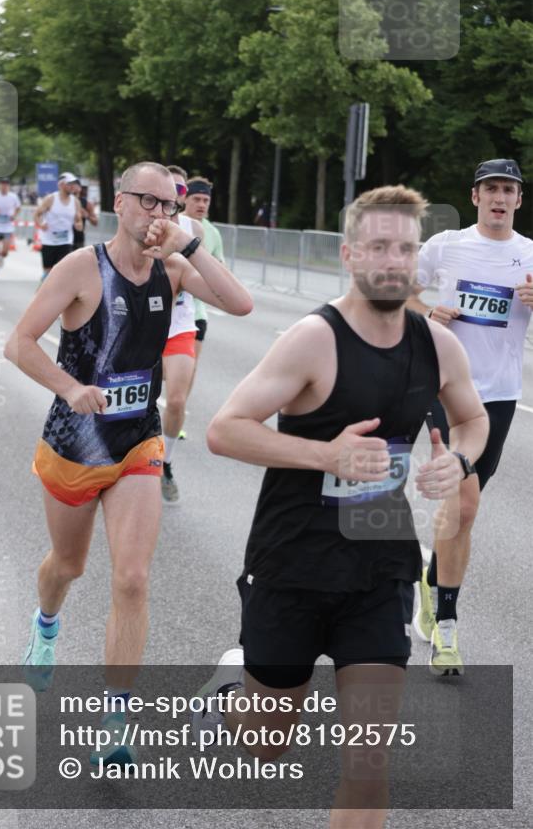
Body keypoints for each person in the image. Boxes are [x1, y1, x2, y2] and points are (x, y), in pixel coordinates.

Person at [195, 185, 488, 829]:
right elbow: (224, 429)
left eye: (405, 249)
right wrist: (326, 456)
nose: (393, 261)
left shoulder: (437, 346)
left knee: (367, 761)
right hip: (293, 559)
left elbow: (472, 420)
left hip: (380, 559)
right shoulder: (311, 339)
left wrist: (456, 461)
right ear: (350, 255)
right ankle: (233, 692)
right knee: (265, 744)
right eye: (379, 246)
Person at [4, 161, 252, 764]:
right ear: (121, 202)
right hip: (75, 442)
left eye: (171, 205)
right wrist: (68, 388)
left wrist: (188, 241)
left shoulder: (173, 267)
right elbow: (18, 344)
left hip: (138, 440)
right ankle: (44, 626)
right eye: (150, 202)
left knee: (133, 578)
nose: (160, 215)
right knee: (69, 565)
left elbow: (241, 304)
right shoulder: (81, 268)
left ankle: (114, 719)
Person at [408, 158, 533, 674]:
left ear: (519, 200)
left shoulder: (529, 255)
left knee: (466, 511)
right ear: (476, 196)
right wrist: (427, 311)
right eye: (491, 189)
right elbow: (394, 292)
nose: (500, 197)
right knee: (463, 496)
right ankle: (449, 628)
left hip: (500, 395)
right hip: (445, 385)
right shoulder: (446, 246)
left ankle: (430, 583)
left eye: (509, 189)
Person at [159, 166, 204, 503]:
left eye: (183, 190)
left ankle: (166, 462)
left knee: (176, 400)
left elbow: (211, 272)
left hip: (180, 325)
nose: (179, 194)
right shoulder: (149, 223)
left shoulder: (193, 228)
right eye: (173, 187)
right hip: (144, 325)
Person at [183, 176, 225, 363]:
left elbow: (219, 271)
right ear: (185, 199)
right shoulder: (174, 223)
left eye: (206, 200)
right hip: (170, 309)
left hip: (197, 312)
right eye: (196, 199)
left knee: (189, 369)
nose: (202, 204)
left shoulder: (213, 233)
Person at [34, 173, 84, 279]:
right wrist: (41, 224)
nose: (72, 186)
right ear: (61, 185)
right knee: (47, 274)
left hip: (66, 241)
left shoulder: (75, 202)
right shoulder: (50, 199)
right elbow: (37, 214)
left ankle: (58, 293)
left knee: (62, 271)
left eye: (73, 184)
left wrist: (79, 225)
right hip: (49, 240)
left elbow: (78, 220)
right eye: (69, 184)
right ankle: (44, 291)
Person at [72, 180, 99, 251]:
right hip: (64, 240)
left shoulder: (86, 203)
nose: (85, 190)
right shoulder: (64, 201)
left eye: (85, 188)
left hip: (78, 239)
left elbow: (95, 222)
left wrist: (86, 215)